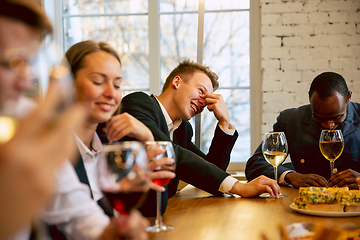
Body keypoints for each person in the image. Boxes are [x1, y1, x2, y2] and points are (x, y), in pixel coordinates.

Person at [104, 59, 281, 217]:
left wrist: (224, 123)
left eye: (207, 99)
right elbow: (170, 152)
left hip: (165, 214)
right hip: (125, 218)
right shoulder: (139, 104)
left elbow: (210, 170)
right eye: (201, 91)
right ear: (177, 81)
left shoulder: (182, 129)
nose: (203, 102)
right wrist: (239, 187)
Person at [42, 40, 176, 240]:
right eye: (98, 82)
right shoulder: (50, 150)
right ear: (67, 85)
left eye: (117, 84)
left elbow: (152, 209)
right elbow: (77, 220)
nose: (111, 93)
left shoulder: (109, 147)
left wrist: (147, 136)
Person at [0, 0, 87, 239]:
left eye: (27, 64)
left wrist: (108, 232)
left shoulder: (24, 116)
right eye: (10, 63)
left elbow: (73, 206)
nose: (26, 82)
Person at [246, 72, 360, 189]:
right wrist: (290, 175)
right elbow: (255, 164)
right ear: (310, 101)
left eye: (337, 117)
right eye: (319, 118)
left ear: (348, 98)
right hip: (304, 203)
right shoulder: (291, 121)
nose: (328, 125)